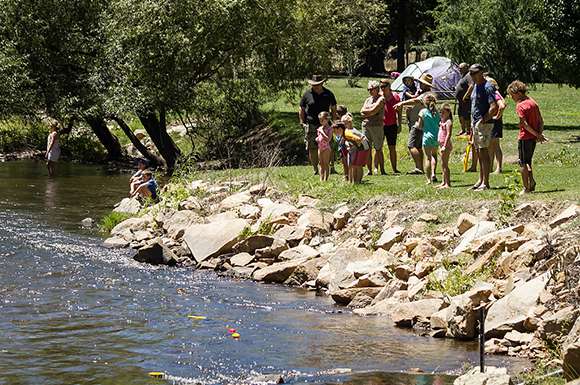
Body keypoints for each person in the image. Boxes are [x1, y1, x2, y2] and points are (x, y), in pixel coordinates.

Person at [507, 80, 546, 194]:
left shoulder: (520, 106)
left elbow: (524, 124)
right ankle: (532, 182)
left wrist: (538, 135)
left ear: (518, 93)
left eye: (512, 94)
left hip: (525, 137)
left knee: (523, 163)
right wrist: (539, 134)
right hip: (533, 138)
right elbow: (541, 121)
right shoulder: (533, 102)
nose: (511, 97)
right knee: (528, 161)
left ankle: (526, 187)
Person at [394, 73, 435, 174]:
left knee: (411, 145)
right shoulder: (425, 94)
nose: (419, 84)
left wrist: (402, 103)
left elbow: (416, 100)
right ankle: (420, 167)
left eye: (421, 83)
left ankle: (419, 167)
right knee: (418, 146)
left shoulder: (426, 95)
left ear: (426, 85)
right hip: (421, 123)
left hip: (418, 123)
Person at [299, 75, 337, 175]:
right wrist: (302, 121)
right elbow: (302, 109)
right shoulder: (307, 94)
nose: (315, 86)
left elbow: (333, 107)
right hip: (311, 124)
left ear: (322, 84)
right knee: (312, 147)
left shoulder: (328, 94)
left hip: (326, 125)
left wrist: (334, 121)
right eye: (313, 85)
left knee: (329, 145)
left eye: (317, 85)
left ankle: (331, 167)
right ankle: (316, 168)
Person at [468, 64, 498, 191]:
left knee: (484, 152)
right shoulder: (475, 86)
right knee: (479, 152)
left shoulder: (488, 86)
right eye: (471, 73)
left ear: (481, 72)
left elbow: (494, 107)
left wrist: (483, 120)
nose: (472, 75)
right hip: (475, 123)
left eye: (474, 73)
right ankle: (480, 180)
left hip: (484, 124)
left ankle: (486, 182)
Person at [360, 80, 385, 175]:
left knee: (378, 148)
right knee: (367, 149)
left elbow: (374, 110)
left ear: (377, 89)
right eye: (369, 89)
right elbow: (361, 112)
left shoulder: (381, 99)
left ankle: (382, 170)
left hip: (377, 126)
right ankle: (369, 170)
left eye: (372, 89)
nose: (370, 91)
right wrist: (369, 111)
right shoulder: (368, 99)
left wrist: (368, 111)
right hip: (366, 126)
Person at [333, 118, 370, 184]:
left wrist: (356, 142)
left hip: (363, 148)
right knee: (354, 164)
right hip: (358, 148)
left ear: (340, 129)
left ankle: (358, 181)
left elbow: (358, 139)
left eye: (335, 131)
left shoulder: (347, 134)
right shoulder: (344, 134)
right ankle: (354, 181)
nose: (334, 133)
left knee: (358, 165)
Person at [415, 93, 440, 184]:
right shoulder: (437, 112)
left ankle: (428, 179)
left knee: (428, 158)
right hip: (436, 136)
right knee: (434, 156)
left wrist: (416, 125)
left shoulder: (423, 112)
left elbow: (420, 125)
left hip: (426, 137)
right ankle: (433, 174)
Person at [380, 79, 402, 174]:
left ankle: (394, 168)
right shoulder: (380, 97)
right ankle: (378, 168)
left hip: (392, 125)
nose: (382, 88)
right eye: (381, 87)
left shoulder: (396, 97)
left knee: (392, 147)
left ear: (389, 86)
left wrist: (399, 124)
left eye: (384, 86)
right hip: (380, 125)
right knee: (378, 147)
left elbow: (399, 112)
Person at [486, 77, 506, 174]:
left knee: (495, 145)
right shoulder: (493, 93)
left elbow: (502, 105)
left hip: (495, 121)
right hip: (492, 121)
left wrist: (497, 116)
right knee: (490, 145)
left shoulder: (495, 93)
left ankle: (498, 168)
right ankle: (489, 167)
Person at [438, 104, 453, 189]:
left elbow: (448, 134)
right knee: (442, 164)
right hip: (441, 144)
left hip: (445, 145)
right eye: (441, 112)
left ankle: (448, 183)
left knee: (445, 164)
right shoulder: (442, 121)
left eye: (443, 112)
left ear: (448, 112)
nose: (441, 114)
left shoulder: (448, 122)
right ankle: (443, 182)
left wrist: (444, 145)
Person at [455, 63, 472, 136]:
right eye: (459, 68)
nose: (459, 70)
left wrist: (466, 95)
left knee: (466, 116)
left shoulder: (468, 75)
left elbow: (471, 86)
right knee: (460, 114)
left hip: (466, 101)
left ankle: (468, 131)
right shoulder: (463, 76)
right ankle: (463, 130)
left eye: (461, 68)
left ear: (466, 68)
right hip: (460, 101)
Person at [316, 111, 332, 181]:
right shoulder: (320, 128)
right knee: (320, 163)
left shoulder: (330, 128)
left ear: (327, 119)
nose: (321, 122)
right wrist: (317, 138)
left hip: (326, 148)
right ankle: (321, 178)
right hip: (320, 147)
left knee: (326, 163)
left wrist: (322, 132)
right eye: (320, 120)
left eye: (322, 120)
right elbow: (319, 137)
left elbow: (328, 139)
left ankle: (326, 178)